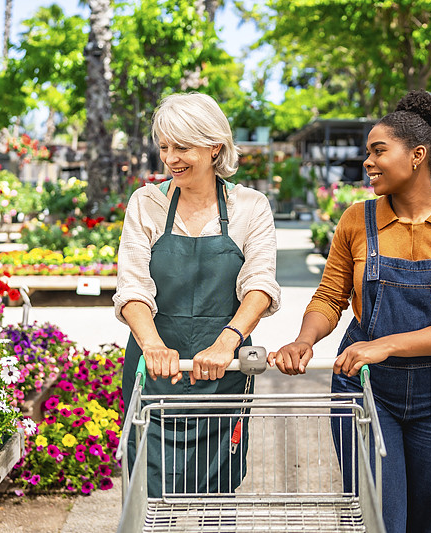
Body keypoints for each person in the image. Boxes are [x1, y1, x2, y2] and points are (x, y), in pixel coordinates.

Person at [269, 90, 431, 532]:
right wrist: (304, 339)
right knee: (380, 520)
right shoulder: (357, 220)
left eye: (378, 151)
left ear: (417, 155)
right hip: (365, 391)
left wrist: (385, 345)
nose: (367, 163)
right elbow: (330, 295)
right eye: (366, 153)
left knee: (428, 520)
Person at [114, 92, 280, 498]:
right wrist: (153, 346)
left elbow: (259, 284)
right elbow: (133, 285)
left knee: (218, 496)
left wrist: (228, 342)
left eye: (183, 147)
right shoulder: (147, 203)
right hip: (155, 374)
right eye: (165, 147)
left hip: (224, 374)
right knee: (147, 497)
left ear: (214, 147)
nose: (171, 158)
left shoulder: (250, 207)